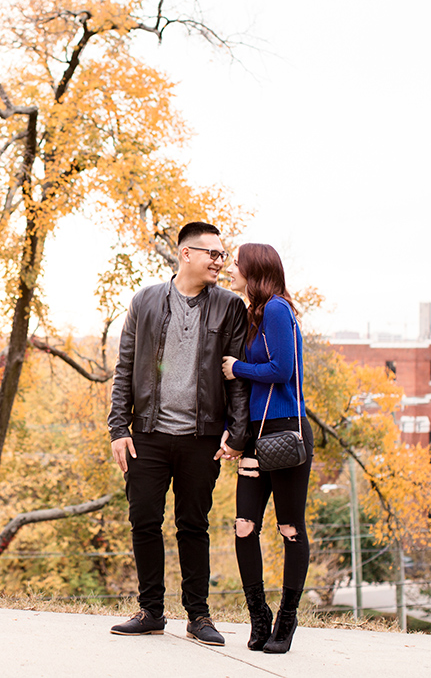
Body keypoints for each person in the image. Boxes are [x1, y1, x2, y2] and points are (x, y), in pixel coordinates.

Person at [108, 221, 250, 646]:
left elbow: (236, 379)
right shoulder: (146, 301)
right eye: (214, 254)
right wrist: (118, 427)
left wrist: (237, 433)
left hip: (202, 437)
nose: (220, 262)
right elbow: (124, 367)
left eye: (223, 255)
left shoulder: (230, 307)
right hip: (147, 433)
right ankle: (151, 611)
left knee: (193, 524)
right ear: (187, 253)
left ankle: (199, 616)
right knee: (144, 520)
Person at [218, 243, 313, 654]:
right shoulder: (252, 316)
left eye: (237, 263)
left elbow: (283, 370)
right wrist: (232, 432)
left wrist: (237, 366)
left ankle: (286, 621)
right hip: (256, 436)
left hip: (285, 435)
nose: (231, 269)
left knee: (289, 529)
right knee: (244, 526)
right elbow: (243, 394)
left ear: (255, 269)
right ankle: (258, 618)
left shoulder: (276, 309)